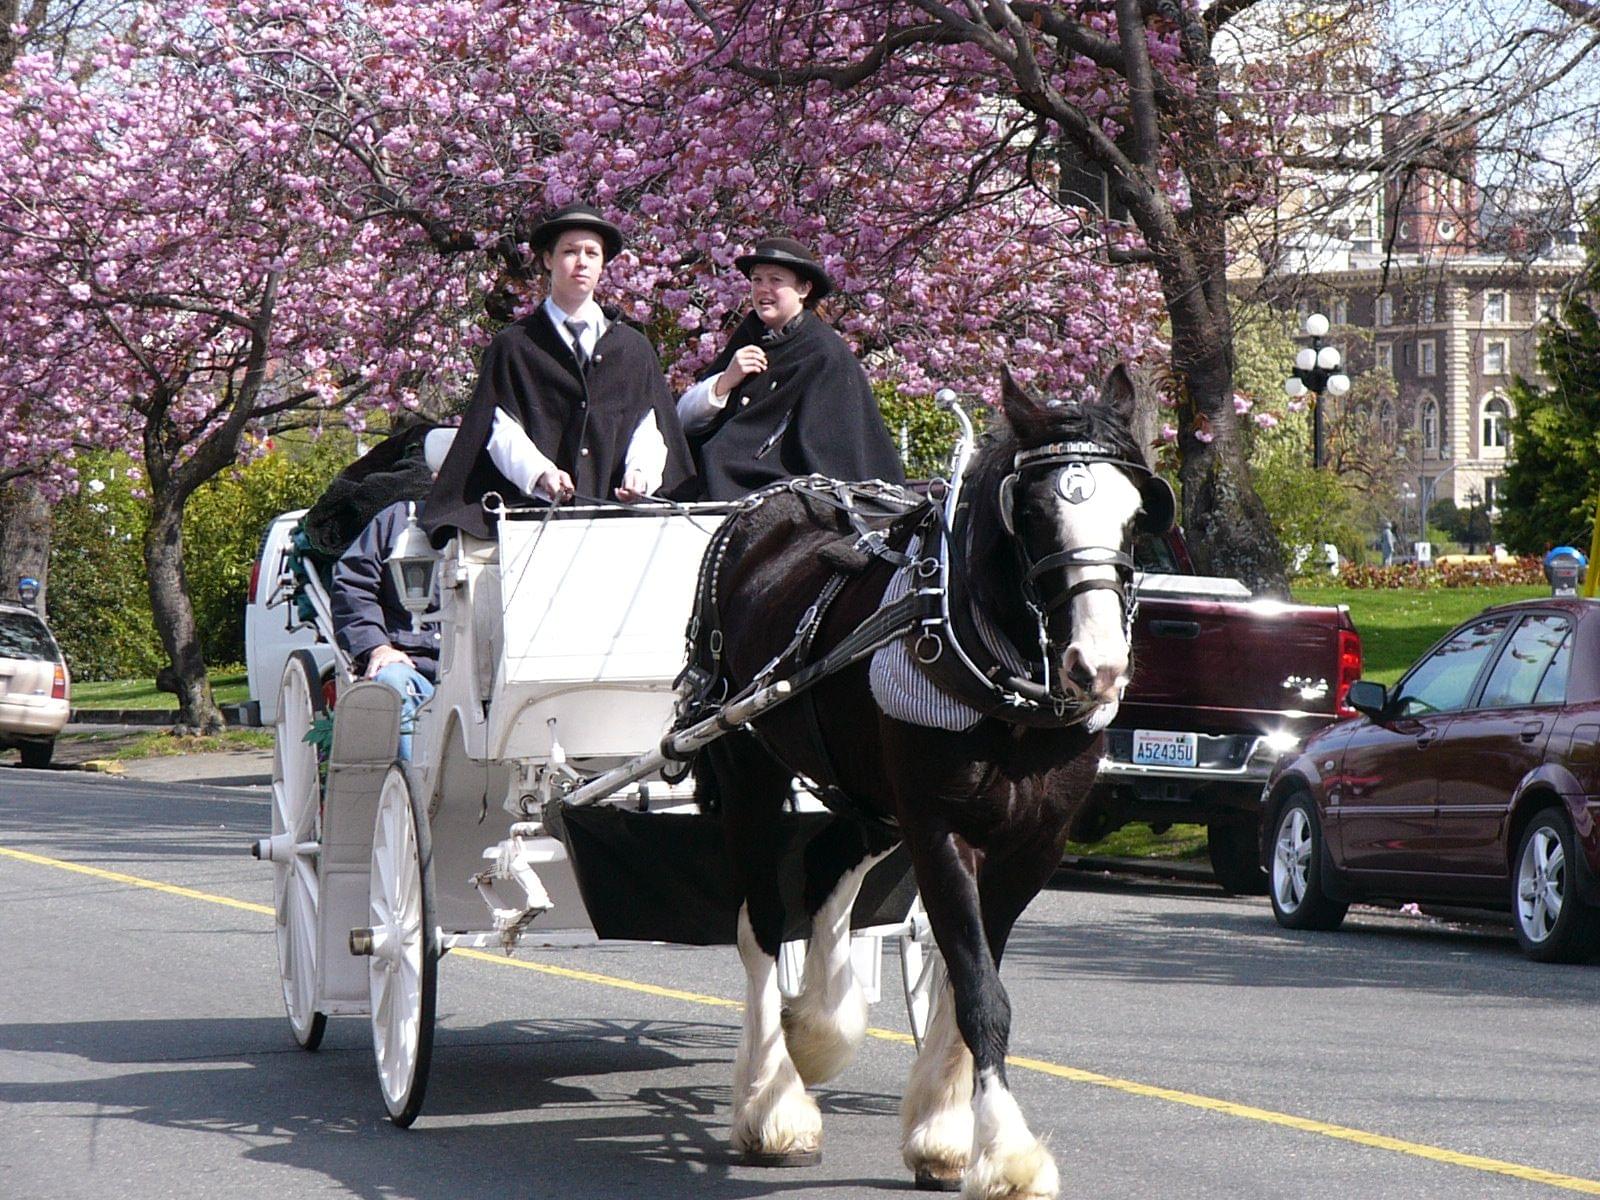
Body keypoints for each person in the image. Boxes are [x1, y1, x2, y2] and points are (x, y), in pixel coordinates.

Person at [424, 202, 693, 544]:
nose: (581, 262)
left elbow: (647, 424)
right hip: (533, 523)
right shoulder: (515, 346)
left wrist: (640, 474)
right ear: (548, 261)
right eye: (570, 251)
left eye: (592, 254)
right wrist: (541, 474)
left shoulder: (633, 348)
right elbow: (501, 428)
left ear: (602, 266)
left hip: (621, 526)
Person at [676, 236, 904, 501]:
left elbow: (831, 450)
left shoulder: (823, 352)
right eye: (757, 280)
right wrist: (724, 383)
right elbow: (685, 419)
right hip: (717, 478)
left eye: (775, 280)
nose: (763, 289)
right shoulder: (748, 336)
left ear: (804, 289)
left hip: (777, 490)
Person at [332, 429, 455, 761]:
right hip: (412, 664)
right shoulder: (397, 521)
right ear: (436, 476)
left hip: (482, 673)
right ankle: (416, 791)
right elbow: (353, 584)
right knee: (394, 683)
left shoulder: (504, 529)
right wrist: (377, 646)